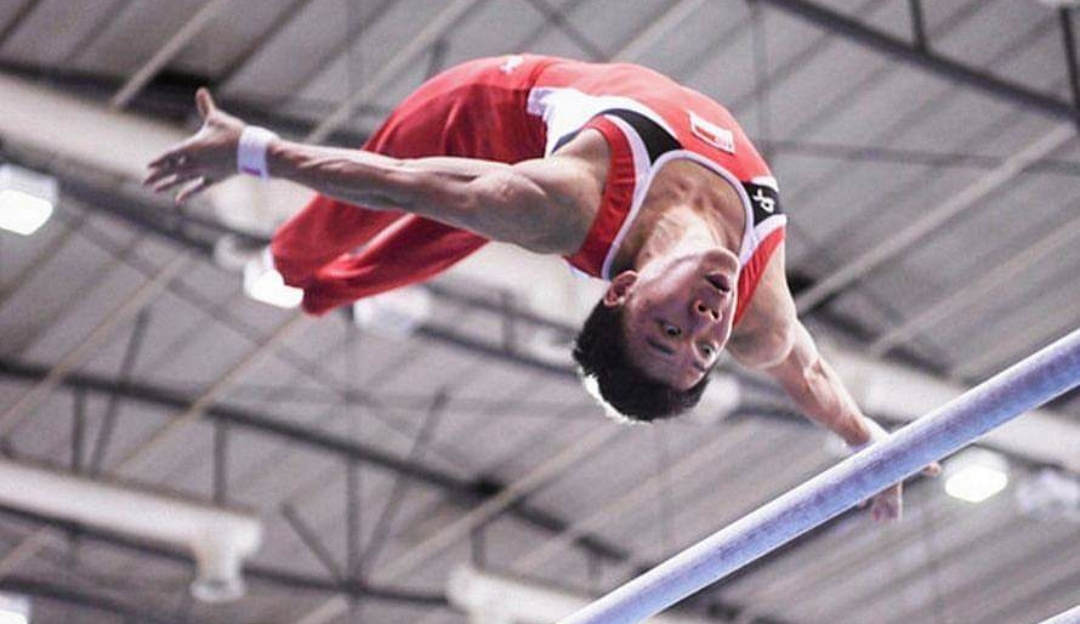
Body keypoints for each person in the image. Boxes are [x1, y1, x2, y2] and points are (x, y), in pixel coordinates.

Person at [145, 54, 936, 520]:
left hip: (478, 116)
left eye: (670, 331)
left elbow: (398, 180)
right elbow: (809, 372)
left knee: (382, 234)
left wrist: (254, 151)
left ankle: (295, 273)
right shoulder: (761, 316)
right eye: (704, 349)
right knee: (408, 243)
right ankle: (297, 277)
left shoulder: (565, 206)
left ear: (622, 288)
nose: (705, 323)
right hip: (516, 153)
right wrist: (865, 440)